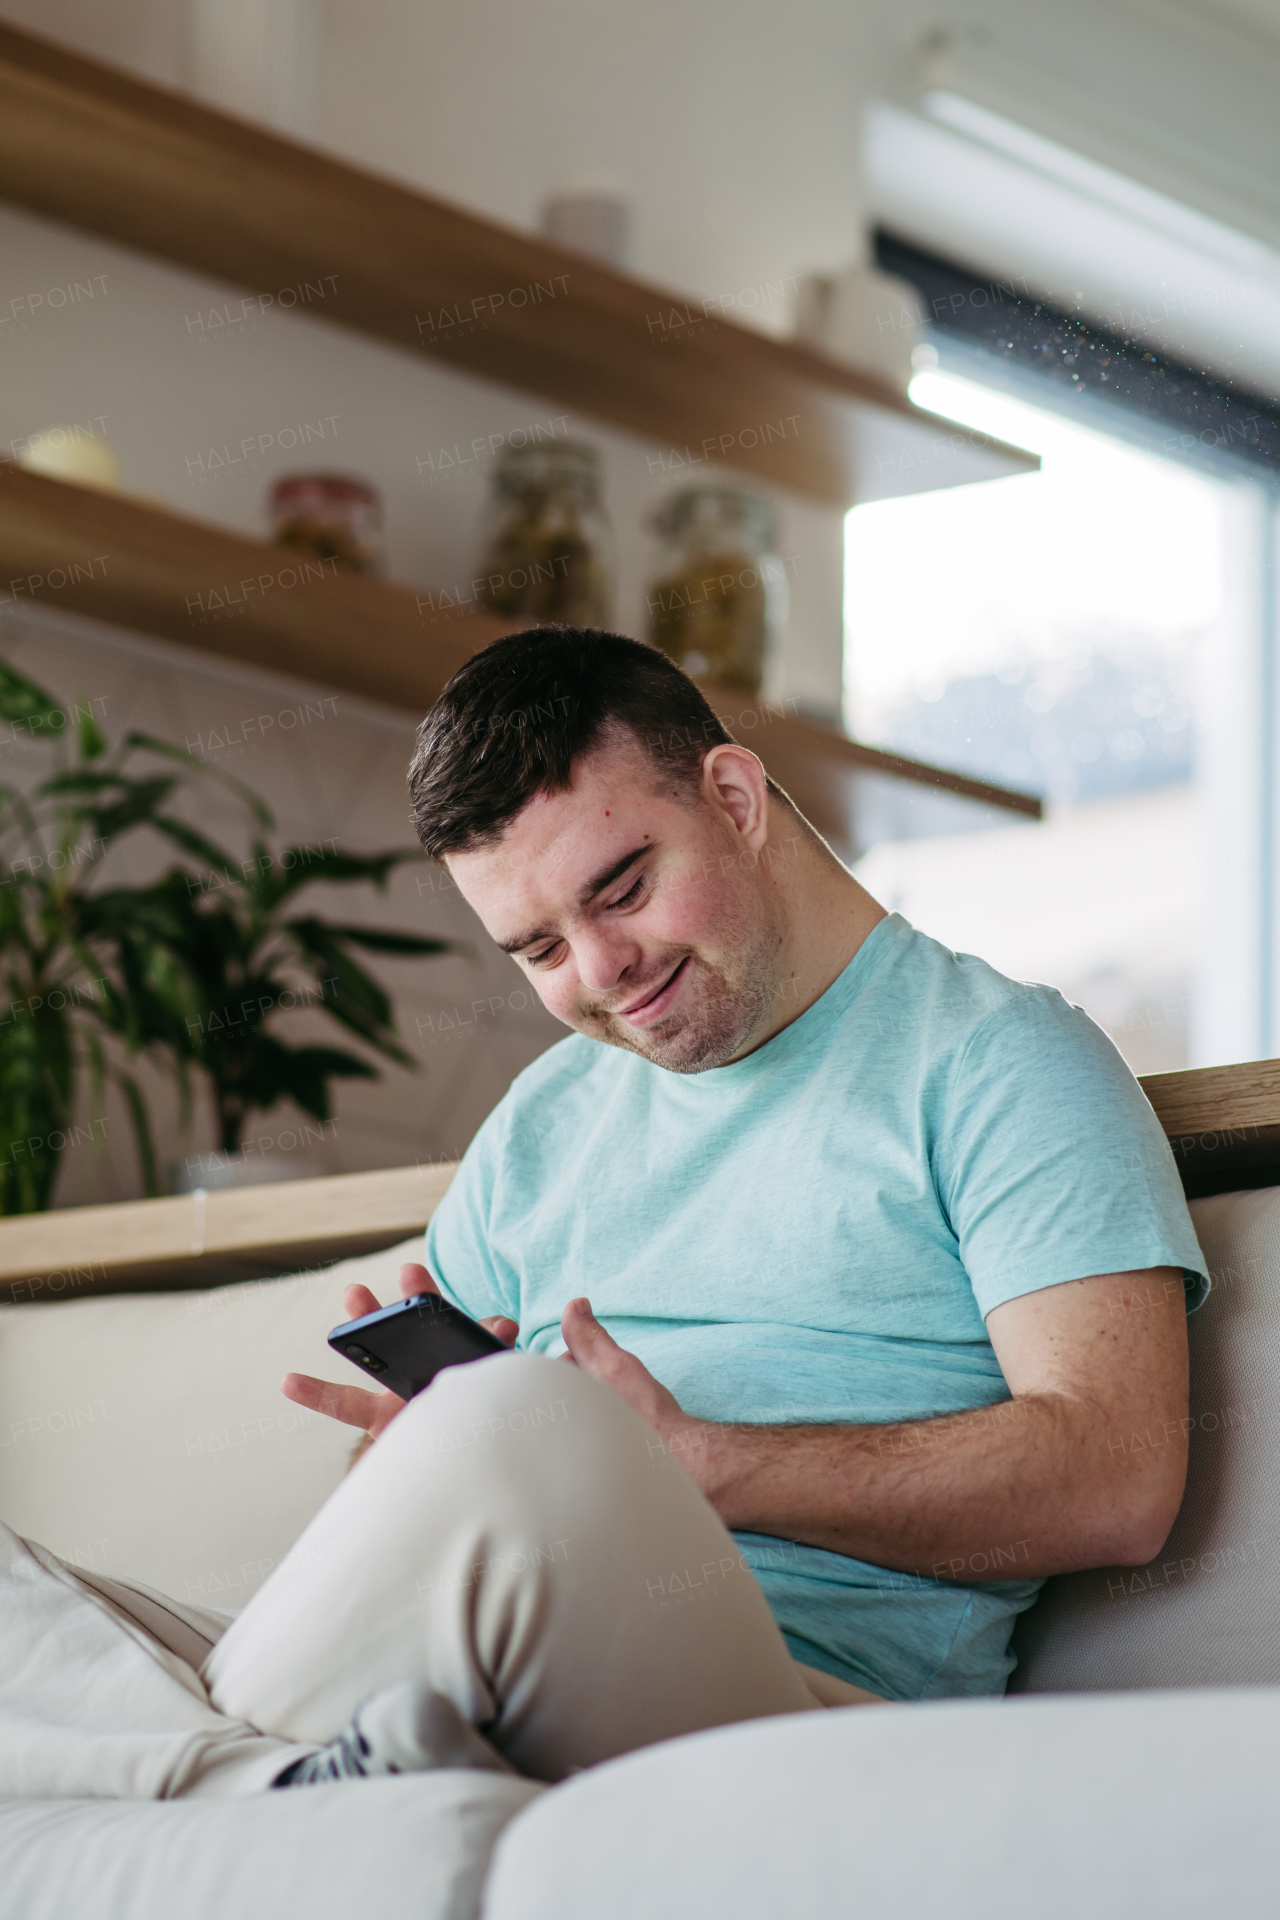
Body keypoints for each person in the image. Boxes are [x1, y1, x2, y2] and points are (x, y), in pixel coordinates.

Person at [208, 623, 1205, 1790]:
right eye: (537, 949)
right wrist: (402, 1475)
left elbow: (1116, 1478)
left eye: (620, 889)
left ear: (733, 796)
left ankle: (247, 1783)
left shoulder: (998, 1061)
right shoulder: (539, 1125)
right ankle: (300, 1779)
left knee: (496, 1440)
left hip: (809, 1715)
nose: (600, 970)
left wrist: (687, 1465)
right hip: (488, 1660)